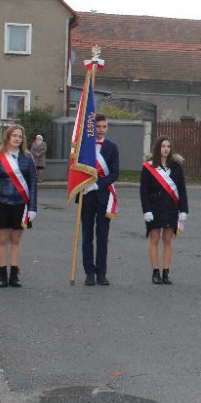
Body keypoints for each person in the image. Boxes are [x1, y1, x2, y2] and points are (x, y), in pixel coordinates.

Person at [0, 125, 38, 288]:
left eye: (20, 136)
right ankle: (2, 274)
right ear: (7, 137)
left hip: (20, 205)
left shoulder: (28, 158)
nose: (17, 139)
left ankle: (14, 275)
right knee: (2, 240)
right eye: (14, 135)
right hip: (1, 204)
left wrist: (33, 208)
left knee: (15, 240)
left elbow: (33, 183)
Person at [141, 136, 188, 285]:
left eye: (168, 146)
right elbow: (144, 191)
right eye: (163, 146)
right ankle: (155, 272)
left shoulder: (176, 166)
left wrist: (183, 210)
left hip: (171, 208)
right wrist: (146, 210)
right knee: (154, 238)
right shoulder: (148, 167)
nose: (166, 149)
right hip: (154, 208)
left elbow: (182, 189)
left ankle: (166, 272)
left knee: (167, 239)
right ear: (158, 148)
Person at [80, 113, 119, 286]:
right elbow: (76, 169)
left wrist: (97, 185)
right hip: (86, 196)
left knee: (102, 236)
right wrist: (83, 185)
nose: (101, 130)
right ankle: (89, 272)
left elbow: (115, 173)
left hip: (103, 196)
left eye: (104, 126)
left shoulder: (112, 147)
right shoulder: (84, 146)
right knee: (87, 236)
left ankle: (101, 273)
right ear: (93, 128)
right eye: (98, 126)